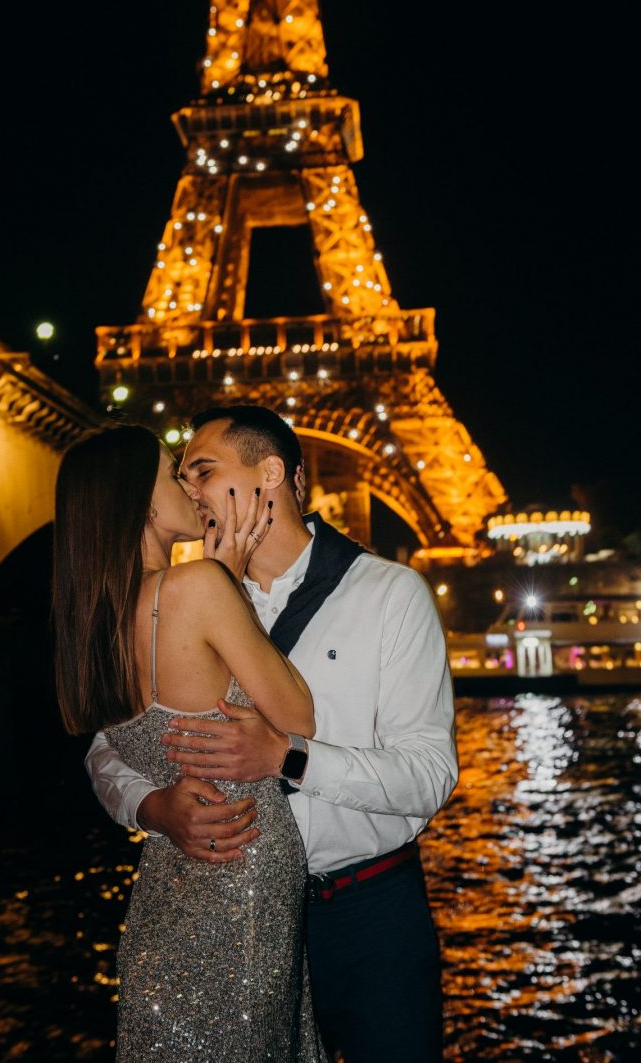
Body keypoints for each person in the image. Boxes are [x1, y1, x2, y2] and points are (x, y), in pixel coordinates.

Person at [86, 406, 459, 1063]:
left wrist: (292, 758)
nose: (190, 489)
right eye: (180, 478)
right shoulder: (183, 592)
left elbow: (429, 773)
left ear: (271, 474)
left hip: (366, 914)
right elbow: (106, 745)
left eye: (202, 471)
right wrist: (149, 805)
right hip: (235, 917)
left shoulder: (390, 593)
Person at [52, 424, 327, 1062]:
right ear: (142, 504)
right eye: (173, 475)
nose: (190, 487)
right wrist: (225, 581)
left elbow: (114, 748)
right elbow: (298, 715)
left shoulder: (93, 625)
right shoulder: (198, 587)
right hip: (248, 863)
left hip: (171, 874)